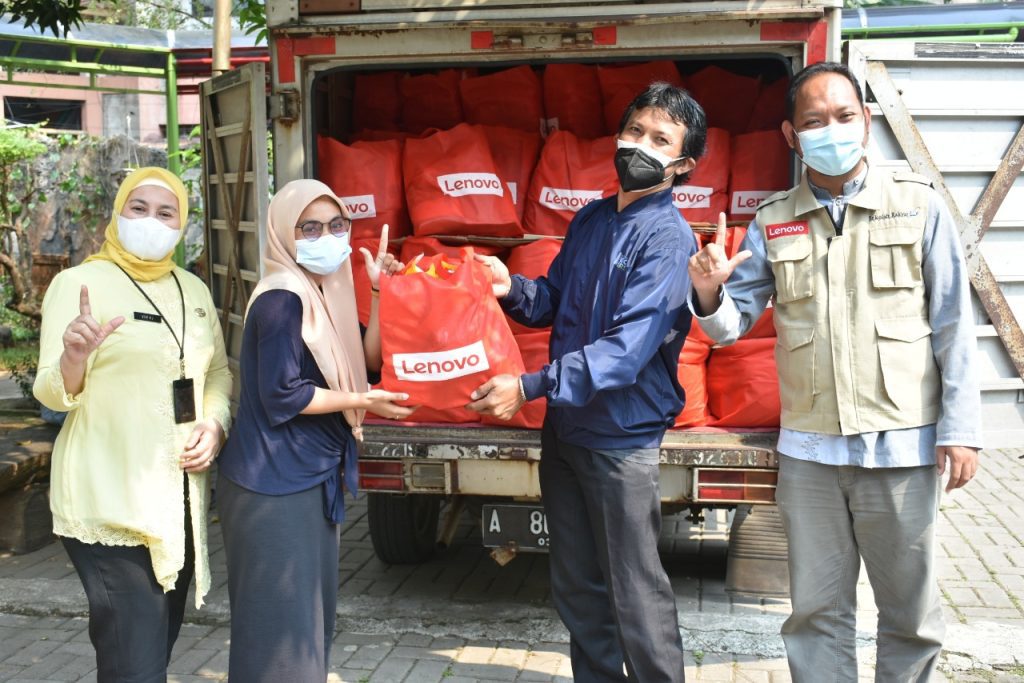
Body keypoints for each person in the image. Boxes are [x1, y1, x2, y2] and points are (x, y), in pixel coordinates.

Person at [688, 62, 982, 682]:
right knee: (816, 613)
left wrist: (962, 426)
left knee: (911, 616)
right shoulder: (774, 220)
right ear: (792, 137)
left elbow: (955, 322)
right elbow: (732, 323)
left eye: (845, 117)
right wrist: (711, 294)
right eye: (815, 121)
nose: (832, 130)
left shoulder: (918, 207)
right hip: (811, 456)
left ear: (867, 122)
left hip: (902, 447)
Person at [468, 82, 704, 682]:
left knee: (635, 592)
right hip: (567, 433)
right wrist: (510, 289)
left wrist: (529, 386)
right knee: (576, 585)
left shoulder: (669, 239)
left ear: (681, 165)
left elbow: (624, 354)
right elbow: (554, 299)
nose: (638, 146)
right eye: (633, 131)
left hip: (621, 442)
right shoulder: (593, 218)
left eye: (659, 139)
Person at [33, 167, 232, 682]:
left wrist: (214, 422)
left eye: (166, 212)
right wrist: (74, 357)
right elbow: (50, 391)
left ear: (182, 224)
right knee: (135, 664)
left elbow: (216, 372)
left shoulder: (192, 289)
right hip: (109, 500)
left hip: (178, 501)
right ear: (118, 214)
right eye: (138, 208)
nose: (151, 221)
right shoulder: (78, 284)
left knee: (151, 652)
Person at [215, 179, 414, 682]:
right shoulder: (282, 299)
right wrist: (363, 402)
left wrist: (378, 290)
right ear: (285, 233)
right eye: (311, 227)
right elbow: (283, 394)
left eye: (337, 225)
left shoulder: (329, 287)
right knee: (279, 638)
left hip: (308, 474)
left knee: (307, 630)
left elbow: (363, 361)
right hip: (274, 485)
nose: (327, 236)